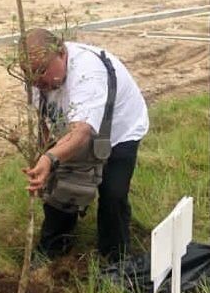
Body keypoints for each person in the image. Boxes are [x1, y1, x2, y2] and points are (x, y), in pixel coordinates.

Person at [23, 28, 149, 262]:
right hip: (72, 130)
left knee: (113, 193)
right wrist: (44, 149)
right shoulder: (35, 75)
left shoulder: (87, 74)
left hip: (119, 131)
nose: (37, 80)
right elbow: (41, 117)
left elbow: (81, 132)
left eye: (42, 71)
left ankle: (115, 259)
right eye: (30, 75)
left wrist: (49, 158)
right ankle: (54, 250)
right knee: (62, 189)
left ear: (61, 53)